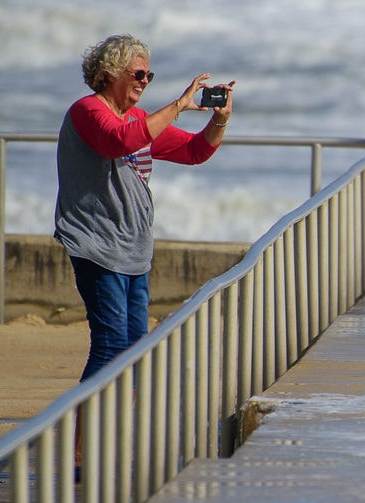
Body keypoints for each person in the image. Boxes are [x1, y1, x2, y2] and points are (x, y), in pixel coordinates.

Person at [55, 33, 235, 381]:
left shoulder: (138, 118)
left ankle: (118, 430)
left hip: (134, 251)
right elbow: (119, 141)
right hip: (97, 246)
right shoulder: (87, 110)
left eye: (147, 76)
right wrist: (178, 106)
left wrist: (220, 119)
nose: (144, 81)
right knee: (110, 345)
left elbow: (196, 151)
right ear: (110, 72)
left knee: (136, 351)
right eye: (137, 74)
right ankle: (85, 434)